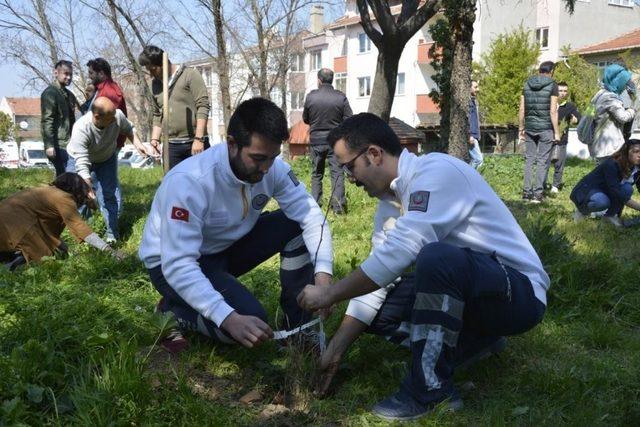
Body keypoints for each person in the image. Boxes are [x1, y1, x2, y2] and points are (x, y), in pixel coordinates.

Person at [297, 113, 549, 421]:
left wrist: (329, 295)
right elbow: (380, 274)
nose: (349, 178)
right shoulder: (391, 203)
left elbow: (404, 250)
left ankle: (428, 390)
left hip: (519, 294)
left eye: (349, 166)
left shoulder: (437, 172)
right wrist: (337, 347)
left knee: (436, 258)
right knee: (377, 311)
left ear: (374, 154)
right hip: (476, 292)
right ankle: (477, 340)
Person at [138, 98, 333, 352]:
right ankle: (172, 309)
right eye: (258, 158)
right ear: (231, 143)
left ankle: (297, 328)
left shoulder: (272, 169)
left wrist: (323, 277)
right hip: (171, 264)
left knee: (295, 224)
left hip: (224, 249)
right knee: (246, 324)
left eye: (273, 158)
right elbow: (178, 264)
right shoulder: (189, 182)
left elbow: (312, 217)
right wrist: (227, 317)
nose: (266, 169)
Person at [66, 97, 150, 243]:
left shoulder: (116, 115)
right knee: (78, 198)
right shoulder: (81, 128)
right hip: (79, 160)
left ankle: (112, 234)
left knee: (109, 195)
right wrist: (88, 189)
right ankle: (81, 236)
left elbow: (129, 128)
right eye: (110, 119)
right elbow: (82, 164)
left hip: (106, 159)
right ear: (97, 117)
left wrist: (138, 144)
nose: (114, 121)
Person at [0, 172, 124, 270]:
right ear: (77, 189)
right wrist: (109, 250)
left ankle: (8, 258)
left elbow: (45, 230)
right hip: (15, 226)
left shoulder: (48, 191)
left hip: (8, 223)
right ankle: (9, 268)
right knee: (43, 260)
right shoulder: (63, 198)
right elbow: (80, 227)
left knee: (55, 251)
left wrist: (64, 249)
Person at [138, 45, 211, 170]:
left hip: (194, 142)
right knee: (174, 185)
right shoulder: (154, 85)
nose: (151, 74)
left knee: (200, 184)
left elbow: (203, 106)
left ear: (163, 63)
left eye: (153, 69)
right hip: (171, 146)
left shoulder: (189, 75)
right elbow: (157, 114)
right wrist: (155, 139)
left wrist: (199, 139)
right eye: (148, 70)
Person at [303, 68, 353, 214]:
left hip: (316, 141)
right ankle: (338, 208)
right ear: (332, 80)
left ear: (319, 80)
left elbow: (306, 119)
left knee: (316, 174)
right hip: (335, 142)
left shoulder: (311, 97)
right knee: (337, 173)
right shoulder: (340, 97)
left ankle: (315, 207)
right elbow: (349, 118)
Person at [87, 57, 129, 213]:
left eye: (92, 73)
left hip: (109, 143)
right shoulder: (102, 89)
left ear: (102, 73)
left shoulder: (109, 92)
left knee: (108, 180)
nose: (89, 76)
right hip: (102, 143)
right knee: (103, 178)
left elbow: (111, 121)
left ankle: (115, 214)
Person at [570, 135, 640, 227]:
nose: (639, 155)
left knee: (627, 188)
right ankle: (582, 211)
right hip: (587, 192)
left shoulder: (637, 167)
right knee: (602, 202)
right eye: (636, 151)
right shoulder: (612, 164)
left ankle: (609, 216)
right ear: (626, 152)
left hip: (607, 191)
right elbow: (618, 193)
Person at [519, 61, 560, 203]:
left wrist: (520, 128)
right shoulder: (552, 85)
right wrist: (557, 132)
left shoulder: (526, 84)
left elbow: (522, 109)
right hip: (545, 128)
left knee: (529, 160)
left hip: (529, 128)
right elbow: (553, 111)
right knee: (542, 161)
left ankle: (526, 193)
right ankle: (537, 195)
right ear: (551, 71)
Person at [590, 64, 635, 164]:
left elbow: (590, 115)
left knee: (602, 176)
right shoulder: (610, 98)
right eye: (624, 83)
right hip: (610, 146)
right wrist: (632, 110)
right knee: (612, 177)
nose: (624, 87)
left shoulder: (598, 95)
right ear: (618, 81)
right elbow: (623, 117)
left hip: (599, 144)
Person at [41, 60, 78, 176]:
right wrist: (49, 145)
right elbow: (47, 120)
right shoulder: (50, 93)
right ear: (56, 73)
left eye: (70, 74)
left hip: (70, 144)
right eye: (66, 74)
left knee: (69, 179)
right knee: (64, 180)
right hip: (58, 145)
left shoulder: (70, 95)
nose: (69, 77)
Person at [544, 82, 581, 193]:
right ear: (556, 91)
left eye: (565, 91)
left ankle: (555, 185)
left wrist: (575, 120)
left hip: (562, 140)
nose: (563, 93)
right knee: (544, 162)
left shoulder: (570, 106)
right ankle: (542, 183)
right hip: (547, 138)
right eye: (560, 91)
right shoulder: (548, 104)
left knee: (559, 163)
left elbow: (579, 118)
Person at [468, 80, 483, 169]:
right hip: (471, 136)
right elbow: (468, 119)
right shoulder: (468, 102)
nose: (478, 89)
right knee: (478, 159)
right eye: (475, 87)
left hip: (474, 135)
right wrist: (469, 135)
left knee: (477, 160)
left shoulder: (473, 101)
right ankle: (469, 179)